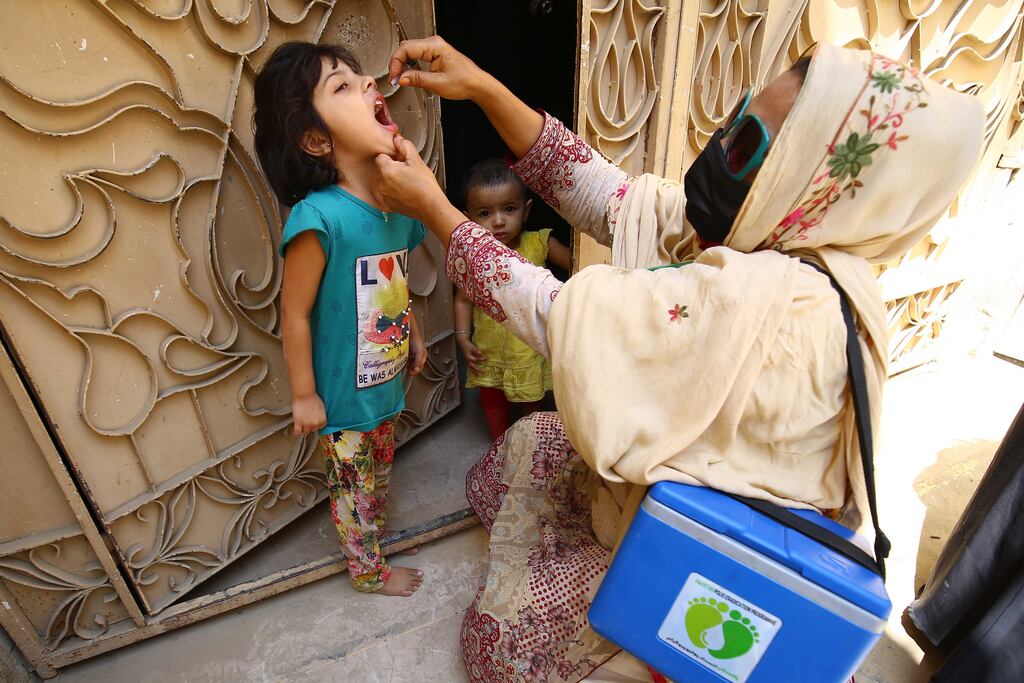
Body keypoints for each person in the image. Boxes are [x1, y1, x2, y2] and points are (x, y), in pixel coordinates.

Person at [374, 37, 983, 680]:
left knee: (500, 648)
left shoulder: (792, 307)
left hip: (722, 549)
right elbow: (606, 195)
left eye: (748, 144)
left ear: (814, 183)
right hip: (683, 494)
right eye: (737, 120)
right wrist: (481, 85)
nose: (721, 149)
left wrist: (434, 211)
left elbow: (568, 320)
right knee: (530, 444)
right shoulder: (773, 231)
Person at [253, 42, 428, 597]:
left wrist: (415, 337)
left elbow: (397, 281)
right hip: (344, 397)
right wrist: (305, 396)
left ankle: (373, 538)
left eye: (363, 78)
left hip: (387, 380)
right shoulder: (319, 216)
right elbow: (294, 312)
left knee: (378, 472)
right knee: (352, 487)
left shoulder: (396, 202)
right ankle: (369, 572)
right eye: (343, 86)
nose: (370, 85)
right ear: (315, 139)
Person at [456, 159, 571, 439]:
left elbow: (577, 266)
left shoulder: (539, 244)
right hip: (489, 350)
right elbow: (463, 299)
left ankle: (527, 446)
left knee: (529, 402)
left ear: (526, 210)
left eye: (509, 209)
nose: (498, 221)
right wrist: (462, 337)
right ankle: (500, 446)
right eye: (484, 213)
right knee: (492, 400)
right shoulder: (474, 257)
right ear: (468, 218)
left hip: (527, 348)